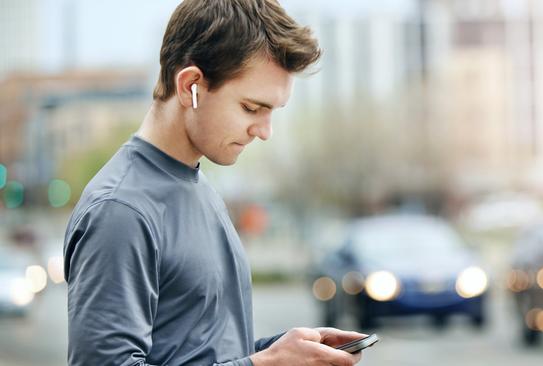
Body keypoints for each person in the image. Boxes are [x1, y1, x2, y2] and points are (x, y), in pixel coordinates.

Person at [62, 1, 366, 365]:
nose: (264, 131)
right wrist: (265, 364)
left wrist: (281, 352)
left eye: (272, 112)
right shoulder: (120, 211)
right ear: (190, 85)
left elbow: (198, 351)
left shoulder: (198, 186)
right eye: (251, 108)